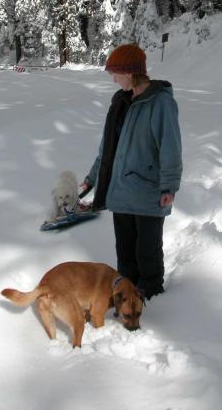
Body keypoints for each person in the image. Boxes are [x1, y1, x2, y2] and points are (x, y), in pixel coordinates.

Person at [82, 43, 182, 300]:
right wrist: (90, 180)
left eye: (115, 73)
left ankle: (153, 302)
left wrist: (169, 186)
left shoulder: (160, 102)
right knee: (125, 256)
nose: (113, 79)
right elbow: (107, 148)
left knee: (147, 255)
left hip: (148, 192)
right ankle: (126, 300)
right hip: (121, 192)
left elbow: (170, 145)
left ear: (129, 72)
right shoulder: (120, 101)